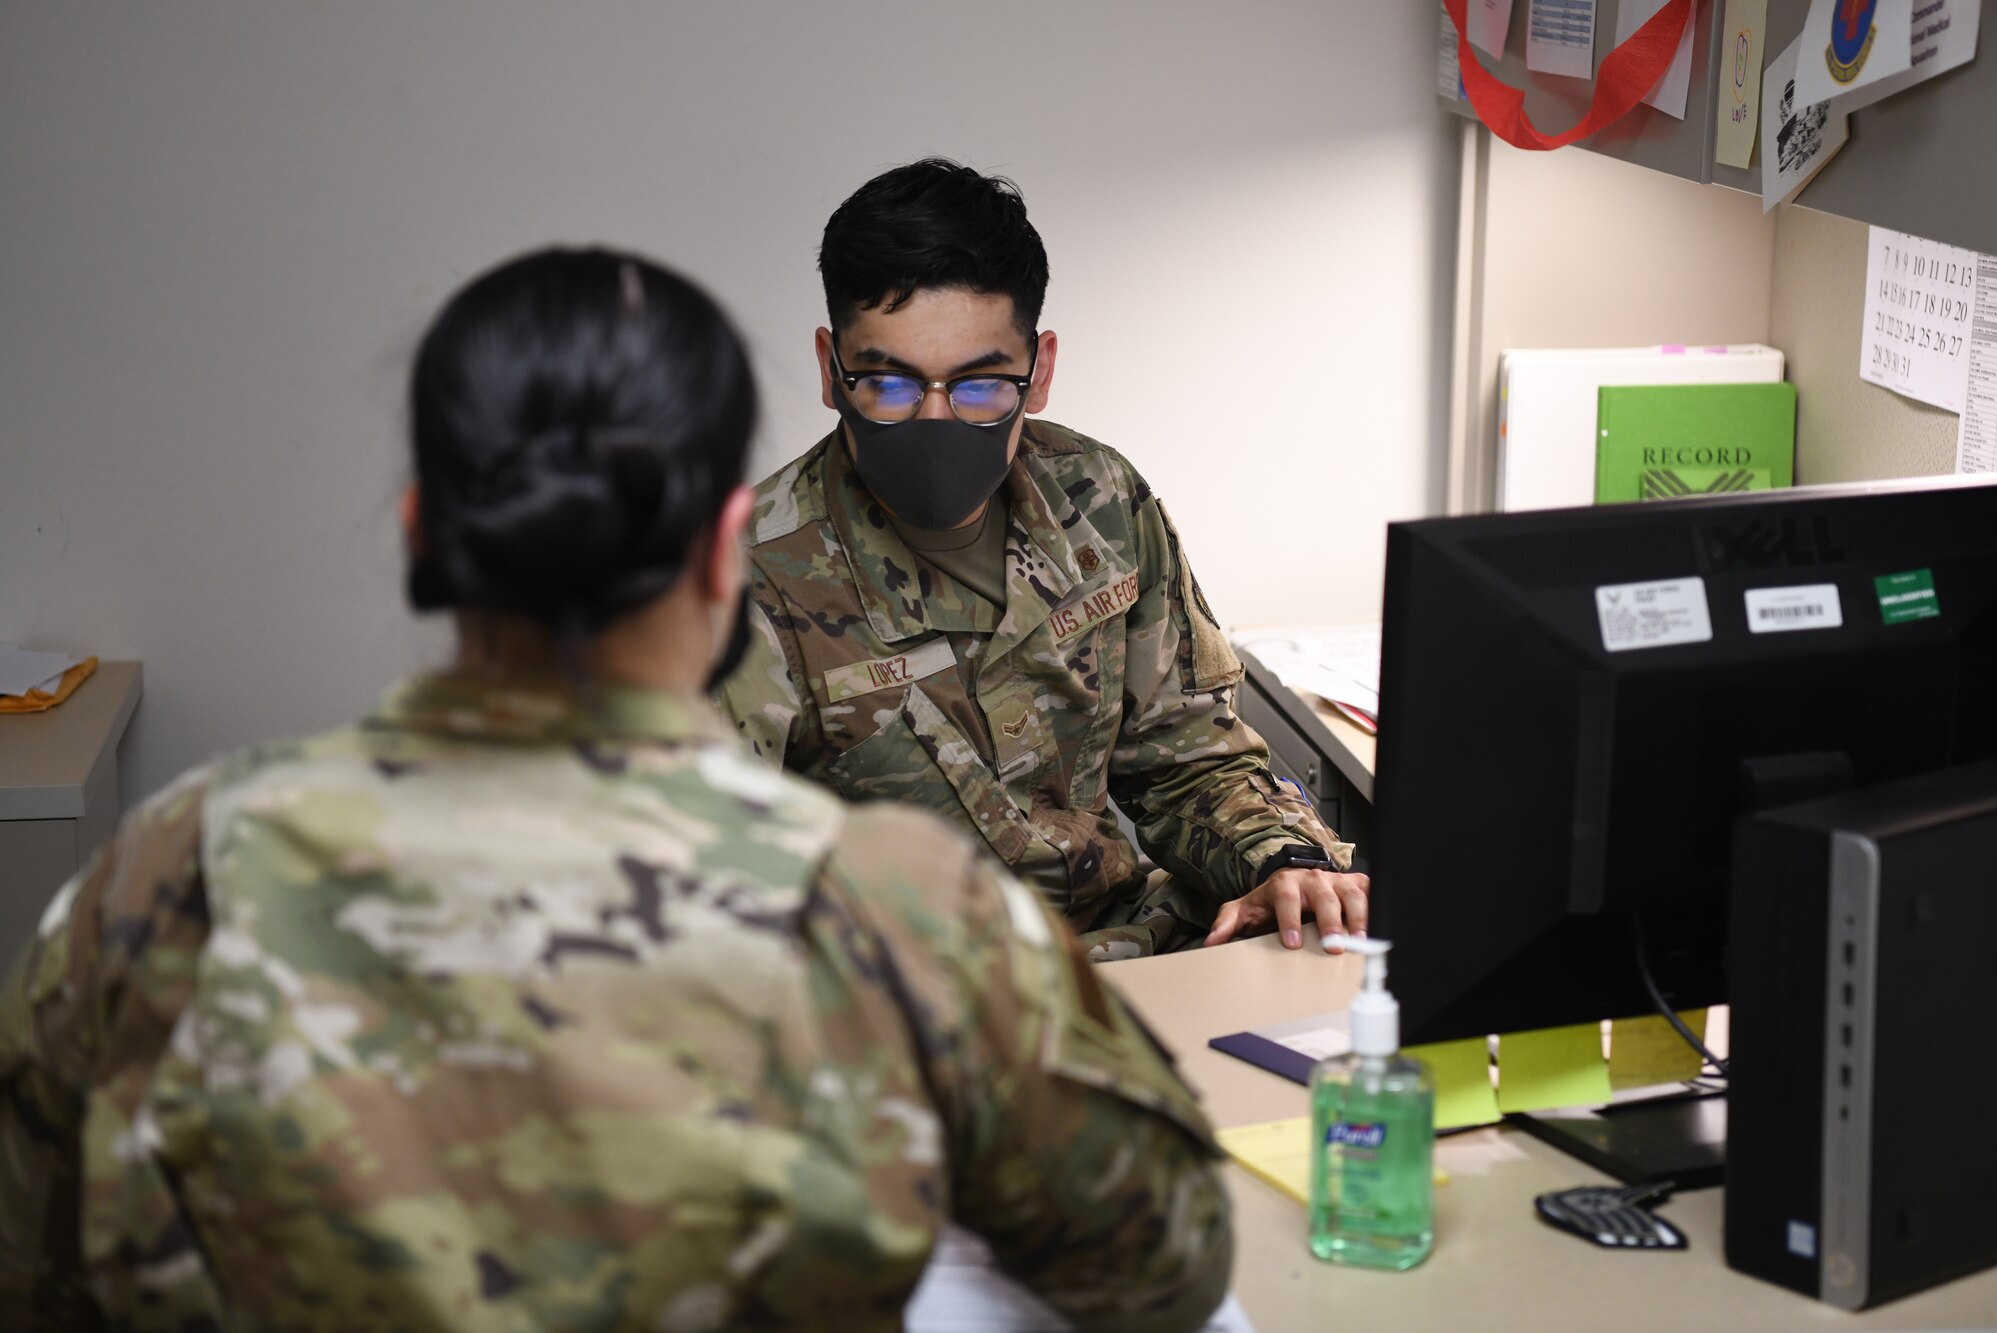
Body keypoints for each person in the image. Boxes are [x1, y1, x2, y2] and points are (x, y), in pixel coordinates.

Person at [0, 248, 1232, 1330]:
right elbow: (1164, 1267)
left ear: (422, 532)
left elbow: (32, 1277)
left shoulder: (165, 875)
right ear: (720, 549)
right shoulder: (893, 911)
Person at [715, 159, 1369, 961]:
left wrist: (1287, 858)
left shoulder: (1098, 500)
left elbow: (1187, 762)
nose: (934, 421)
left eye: (981, 386)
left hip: (1125, 960)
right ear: (830, 368)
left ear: (1041, 369)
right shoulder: (751, 577)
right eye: (887, 384)